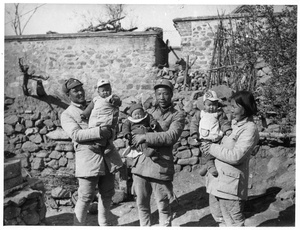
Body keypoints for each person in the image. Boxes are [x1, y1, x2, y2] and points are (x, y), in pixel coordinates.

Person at [60, 78, 118, 226]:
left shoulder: (98, 103)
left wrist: (111, 133)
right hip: (87, 158)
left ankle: (103, 224)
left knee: (107, 193)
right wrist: (100, 131)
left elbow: (112, 126)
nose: (80, 92)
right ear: (68, 95)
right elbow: (76, 135)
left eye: (81, 89)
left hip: (106, 156)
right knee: (86, 196)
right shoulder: (67, 114)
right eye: (75, 90)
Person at [130, 79, 185, 226]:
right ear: (155, 95)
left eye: (165, 93)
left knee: (163, 206)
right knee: (141, 204)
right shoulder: (148, 112)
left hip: (160, 164)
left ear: (171, 94)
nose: (162, 97)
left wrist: (144, 137)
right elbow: (133, 127)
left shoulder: (177, 115)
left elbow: (170, 136)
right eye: (158, 93)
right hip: (141, 164)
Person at [200, 90, 259, 227]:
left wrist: (210, 148)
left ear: (243, 108)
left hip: (231, 186)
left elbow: (236, 156)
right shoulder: (232, 124)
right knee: (219, 218)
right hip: (217, 181)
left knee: (233, 222)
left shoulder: (249, 129)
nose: (230, 109)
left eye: (234, 106)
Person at [80, 79, 123, 173]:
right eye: (103, 90)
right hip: (95, 121)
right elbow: (89, 108)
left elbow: (118, 102)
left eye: (108, 89)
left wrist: (115, 100)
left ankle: (103, 146)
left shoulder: (110, 98)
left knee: (104, 132)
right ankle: (104, 146)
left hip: (105, 121)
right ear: (98, 92)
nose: (105, 92)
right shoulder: (95, 99)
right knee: (95, 133)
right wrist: (85, 114)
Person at [190, 90, 232, 177]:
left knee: (214, 154)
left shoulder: (219, 113)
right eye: (209, 105)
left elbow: (224, 123)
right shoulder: (200, 113)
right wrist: (194, 133)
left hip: (216, 138)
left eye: (214, 105)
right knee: (205, 152)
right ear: (204, 105)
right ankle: (209, 166)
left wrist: (227, 129)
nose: (212, 107)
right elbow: (194, 123)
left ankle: (208, 166)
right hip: (204, 138)